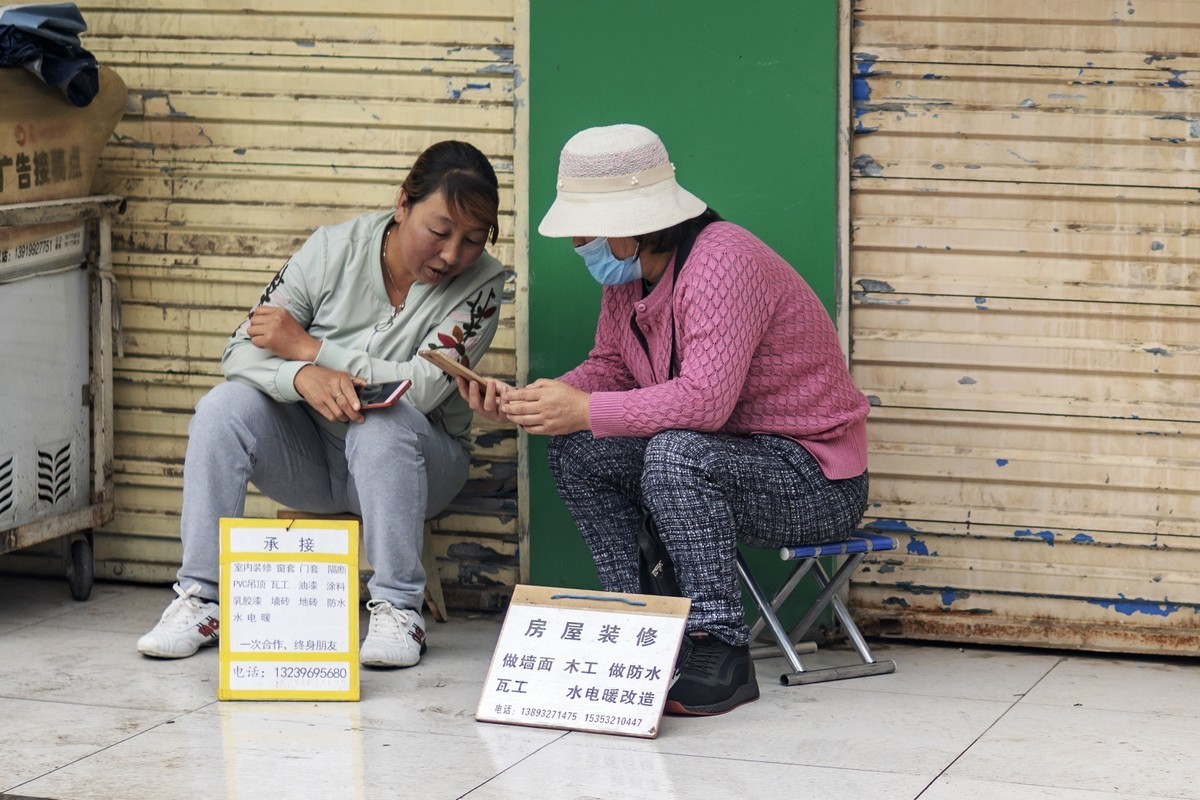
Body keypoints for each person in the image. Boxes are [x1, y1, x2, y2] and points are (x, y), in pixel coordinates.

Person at [461, 124, 870, 715]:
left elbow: (706, 401)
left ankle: (718, 646)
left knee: (674, 451)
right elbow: (609, 366)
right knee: (577, 448)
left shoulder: (722, 262)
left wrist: (585, 409)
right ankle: (642, 627)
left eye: (587, 229)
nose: (579, 243)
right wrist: (538, 401)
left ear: (633, 226)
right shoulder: (632, 277)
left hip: (814, 479)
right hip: (723, 461)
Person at [137, 140, 507, 668]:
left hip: (419, 463)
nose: (452, 255)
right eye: (439, 231)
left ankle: (400, 609)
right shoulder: (331, 251)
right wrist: (301, 375)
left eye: (472, 240)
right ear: (403, 204)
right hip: (310, 456)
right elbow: (239, 350)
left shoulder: (483, 289)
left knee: (387, 420)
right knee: (223, 408)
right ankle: (201, 599)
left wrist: (313, 349)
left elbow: (422, 387)